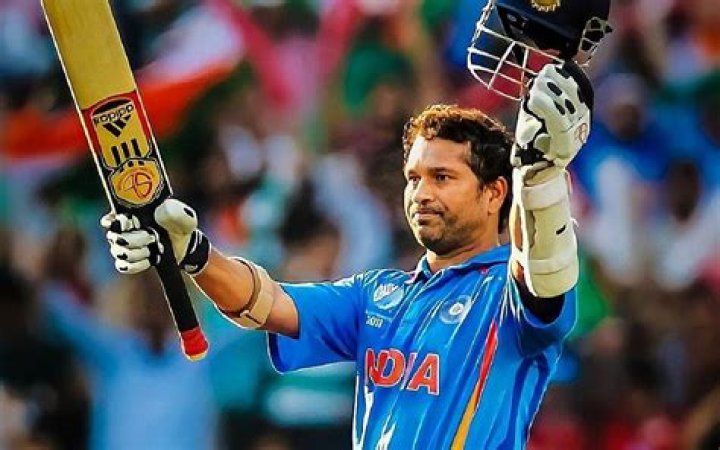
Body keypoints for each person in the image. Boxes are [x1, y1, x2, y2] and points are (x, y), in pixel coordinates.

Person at [101, 1, 611, 447]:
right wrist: (194, 253)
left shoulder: (507, 294)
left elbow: (543, 273)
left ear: (494, 192)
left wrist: (541, 177)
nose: (421, 193)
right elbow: (265, 304)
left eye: (442, 177)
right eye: (413, 178)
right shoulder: (378, 296)